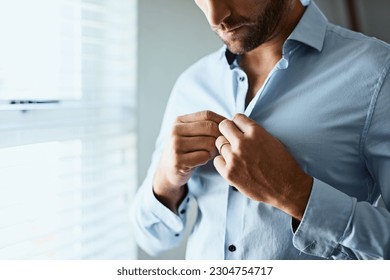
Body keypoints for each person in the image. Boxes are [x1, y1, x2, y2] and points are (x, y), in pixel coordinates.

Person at [132, 0, 390, 259]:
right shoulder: (192, 83)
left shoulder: (377, 74)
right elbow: (151, 239)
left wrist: (295, 193)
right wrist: (165, 182)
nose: (215, 17)